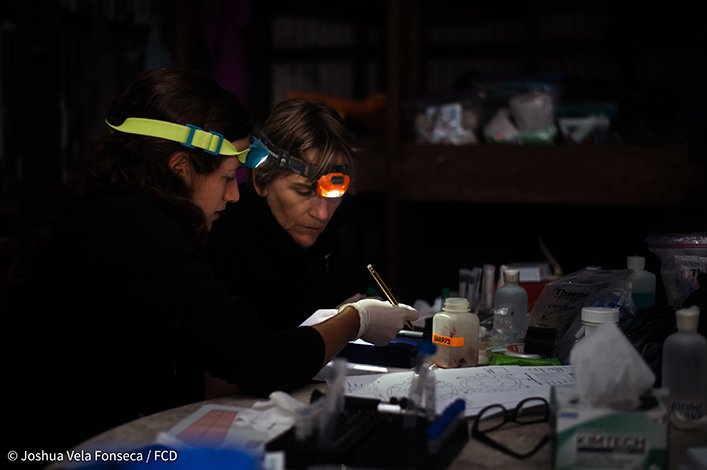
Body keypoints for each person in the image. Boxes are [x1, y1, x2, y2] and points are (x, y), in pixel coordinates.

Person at [1, 67, 418, 456]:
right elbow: (261, 361)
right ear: (181, 168)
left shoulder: (116, 209)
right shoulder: (141, 231)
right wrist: (356, 319)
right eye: (225, 178)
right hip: (67, 448)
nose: (234, 196)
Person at [206, 98, 362, 331]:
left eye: (333, 194)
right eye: (302, 191)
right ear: (261, 181)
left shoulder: (343, 227)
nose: (322, 214)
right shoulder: (224, 241)